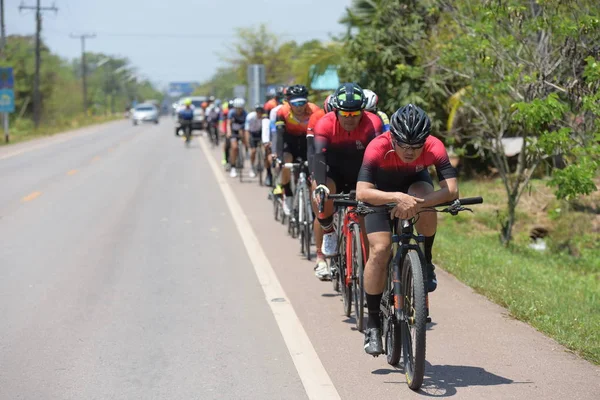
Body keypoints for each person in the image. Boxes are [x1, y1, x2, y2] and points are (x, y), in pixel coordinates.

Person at [356, 104, 458, 356]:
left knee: (426, 198)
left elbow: (451, 190)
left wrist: (416, 203)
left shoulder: (434, 146)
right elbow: (362, 191)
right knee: (380, 250)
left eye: (417, 146)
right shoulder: (377, 145)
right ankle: (373, 325)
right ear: (393, 137)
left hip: (415, 188)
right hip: (381, 191)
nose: (410, 152)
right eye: (404, 145)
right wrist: (396, 198)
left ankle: (426, 260)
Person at [311, 83, 384, 280]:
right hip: (332, 171)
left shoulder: (373, 122)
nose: (350, 119)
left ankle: (371, 270)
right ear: (336, 111)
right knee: (320, 192)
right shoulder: (325, 123)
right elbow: (318, 157)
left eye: (355, 114)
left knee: (366, 213)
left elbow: (379, 156)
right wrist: (320, 185)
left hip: (361, 172)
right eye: (345, 114)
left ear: (363, 111)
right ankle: (327, 233)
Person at [275, 84, 321, 215]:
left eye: (302, 102)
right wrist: (279, 156)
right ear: (289, 102)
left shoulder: (315, 111)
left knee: (310, 175)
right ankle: (288, 194)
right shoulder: (282, 112)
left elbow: (321, 135)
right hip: (289, 142)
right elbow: (279, 136)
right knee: (286, 161)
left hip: (308, 142)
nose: (300, 107)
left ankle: (312, 206)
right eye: (296, 103)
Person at [306, 94, 334, 275]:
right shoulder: (318, 118)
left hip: (345, 160)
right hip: (322, 156)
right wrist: (314, 176)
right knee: (320, 203)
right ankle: (320, 257)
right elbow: (312, 151)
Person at [244, 104, 268, 178]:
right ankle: (252, 167)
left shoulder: (265, 118)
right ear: (256, 111)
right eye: (258, 112)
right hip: (252, 133)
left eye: (261, 112)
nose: (259, 114)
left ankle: (263, 163)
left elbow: (266, 130)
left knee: (265, 149)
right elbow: (247, 130)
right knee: (253, 151)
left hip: (261, 133)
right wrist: (247, 141)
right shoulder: (250, 117)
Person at [227, 98, 248, 178]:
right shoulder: (231, 113)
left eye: (240, 108)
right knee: (234, 148)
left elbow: (247, 126)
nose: (238, 110)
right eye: (237, 108)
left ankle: (247, 152)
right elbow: (229, 124)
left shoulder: (245, 114)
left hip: (242, 130)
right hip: (233, 132)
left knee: (246, 139)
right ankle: (233, 167)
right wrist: (228, 132)